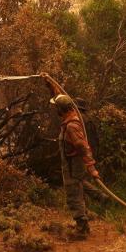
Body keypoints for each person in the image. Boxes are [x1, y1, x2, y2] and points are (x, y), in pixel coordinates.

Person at [40, 74, 99, 237]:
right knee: (78, 187)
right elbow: (60, 97)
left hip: (73, 164)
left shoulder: (72, 125)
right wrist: (50, 83)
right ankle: (98, 199)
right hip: (72, 163)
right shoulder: (70, 112)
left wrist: (92, 168)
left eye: (56, 108)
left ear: (61, 110)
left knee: (74, 194)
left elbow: (83, 146)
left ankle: (82, 227)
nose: (55, 109)